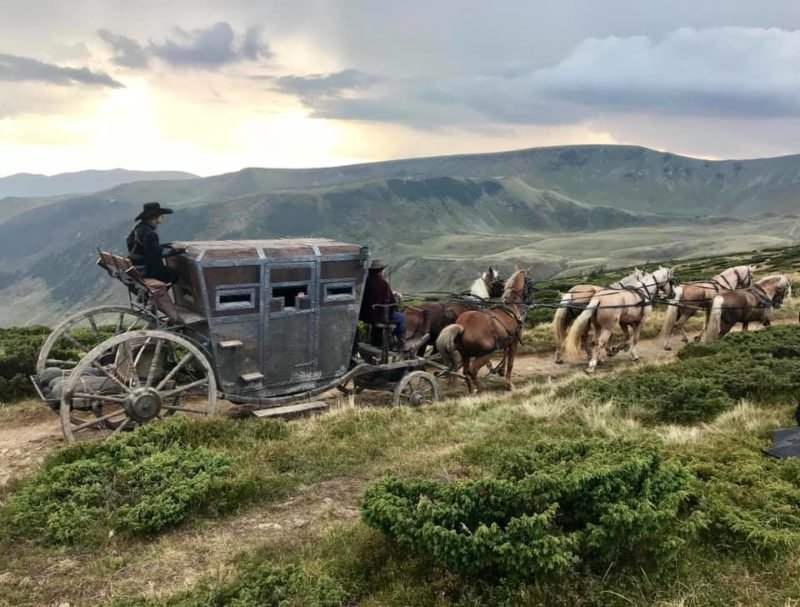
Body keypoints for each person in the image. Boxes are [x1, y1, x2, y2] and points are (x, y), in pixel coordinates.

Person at [126, 202, 182, 284]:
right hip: (144, 270)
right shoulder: (150, 233)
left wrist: (164, 246)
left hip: (136, 267)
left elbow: (146, 248)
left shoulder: (139, 228)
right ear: (154, 217)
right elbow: (155, 253)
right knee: (173, 274)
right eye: (160, 215)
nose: (162, 217)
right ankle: (158, 295)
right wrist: (176, 251)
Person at [359, 259, 406, 348]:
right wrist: (396, 302)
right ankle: (400, 343)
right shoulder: (383, 283)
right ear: (380, 272)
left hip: (366, 315)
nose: (383, 272)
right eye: (383, 270)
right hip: (379, 315)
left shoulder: (366, 282)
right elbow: (392, 302)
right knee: (401, 317)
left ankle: (375, 340)